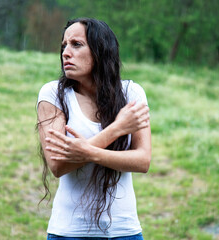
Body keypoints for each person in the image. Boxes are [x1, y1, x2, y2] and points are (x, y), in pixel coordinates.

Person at [36, 18, 151, 240]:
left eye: (76, 44)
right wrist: (116, 128)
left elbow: (143, 160)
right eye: (64, 46)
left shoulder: (132, 94)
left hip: (124, 231)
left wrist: (88, 152)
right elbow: (58, 165)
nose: (65, 53)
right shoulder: (52, 95)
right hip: (69, 232)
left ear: (100, 51)